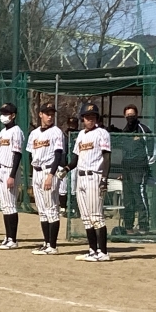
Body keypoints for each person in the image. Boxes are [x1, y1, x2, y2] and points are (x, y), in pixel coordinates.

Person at [57, 103, 112, 261]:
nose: (90, 119)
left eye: (93, 116)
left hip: (94, 176)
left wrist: (104, 179)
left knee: (96, 216)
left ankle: (103, 252)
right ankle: (92, 250)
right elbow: (76, 159)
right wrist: (66, 169)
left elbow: (107, 157)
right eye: (87, 117)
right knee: (86, 218)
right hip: (80, 177)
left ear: (97, 118)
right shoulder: (81, 135)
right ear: (82, 119)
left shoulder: (102, 133)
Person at [26, 102, 64, 255]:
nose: (50, 116)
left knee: (51, 209)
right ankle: (46, 243)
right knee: (42, 210)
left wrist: (51, 175)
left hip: (49, 171)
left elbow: (58, 155)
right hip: (37, 172)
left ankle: (52, 246)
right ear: (40, 114)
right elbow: (30, 154)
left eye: (52, 114)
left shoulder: (56, 132)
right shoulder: (34, 133)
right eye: (47, 113)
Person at [0, 103, 24, 249]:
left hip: (11, 170)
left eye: (6, 113)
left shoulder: (16, 131)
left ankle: (13, 239)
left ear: (13, 115)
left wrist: (12, 175)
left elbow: (17, 154)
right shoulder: (2, 132)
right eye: (2, 113)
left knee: (11, 206)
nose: (3, 116)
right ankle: (7, 237)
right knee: (5, 206)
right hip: (2, 169)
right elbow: (0, 155)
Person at [119, 104, 154, 234]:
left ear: (137, 115)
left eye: (132, 115)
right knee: (128, 200)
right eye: (128, 115)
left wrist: (146, 165)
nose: (130, 117)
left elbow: (152, 148)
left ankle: (143, 226)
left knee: (140, 197)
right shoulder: (124, 131)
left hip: (140, 170)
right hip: (127, 170)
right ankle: (129, 226)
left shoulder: (143, 130)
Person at [59, 116, 79, 212]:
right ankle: (63, 207)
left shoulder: (79, 135)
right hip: (63, 164)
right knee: (62, 187)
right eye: (70, 124)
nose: (72, 126)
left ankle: (72, 208)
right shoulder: (63, 135)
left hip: (74, 164)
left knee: (73, 186)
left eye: (74, 124)